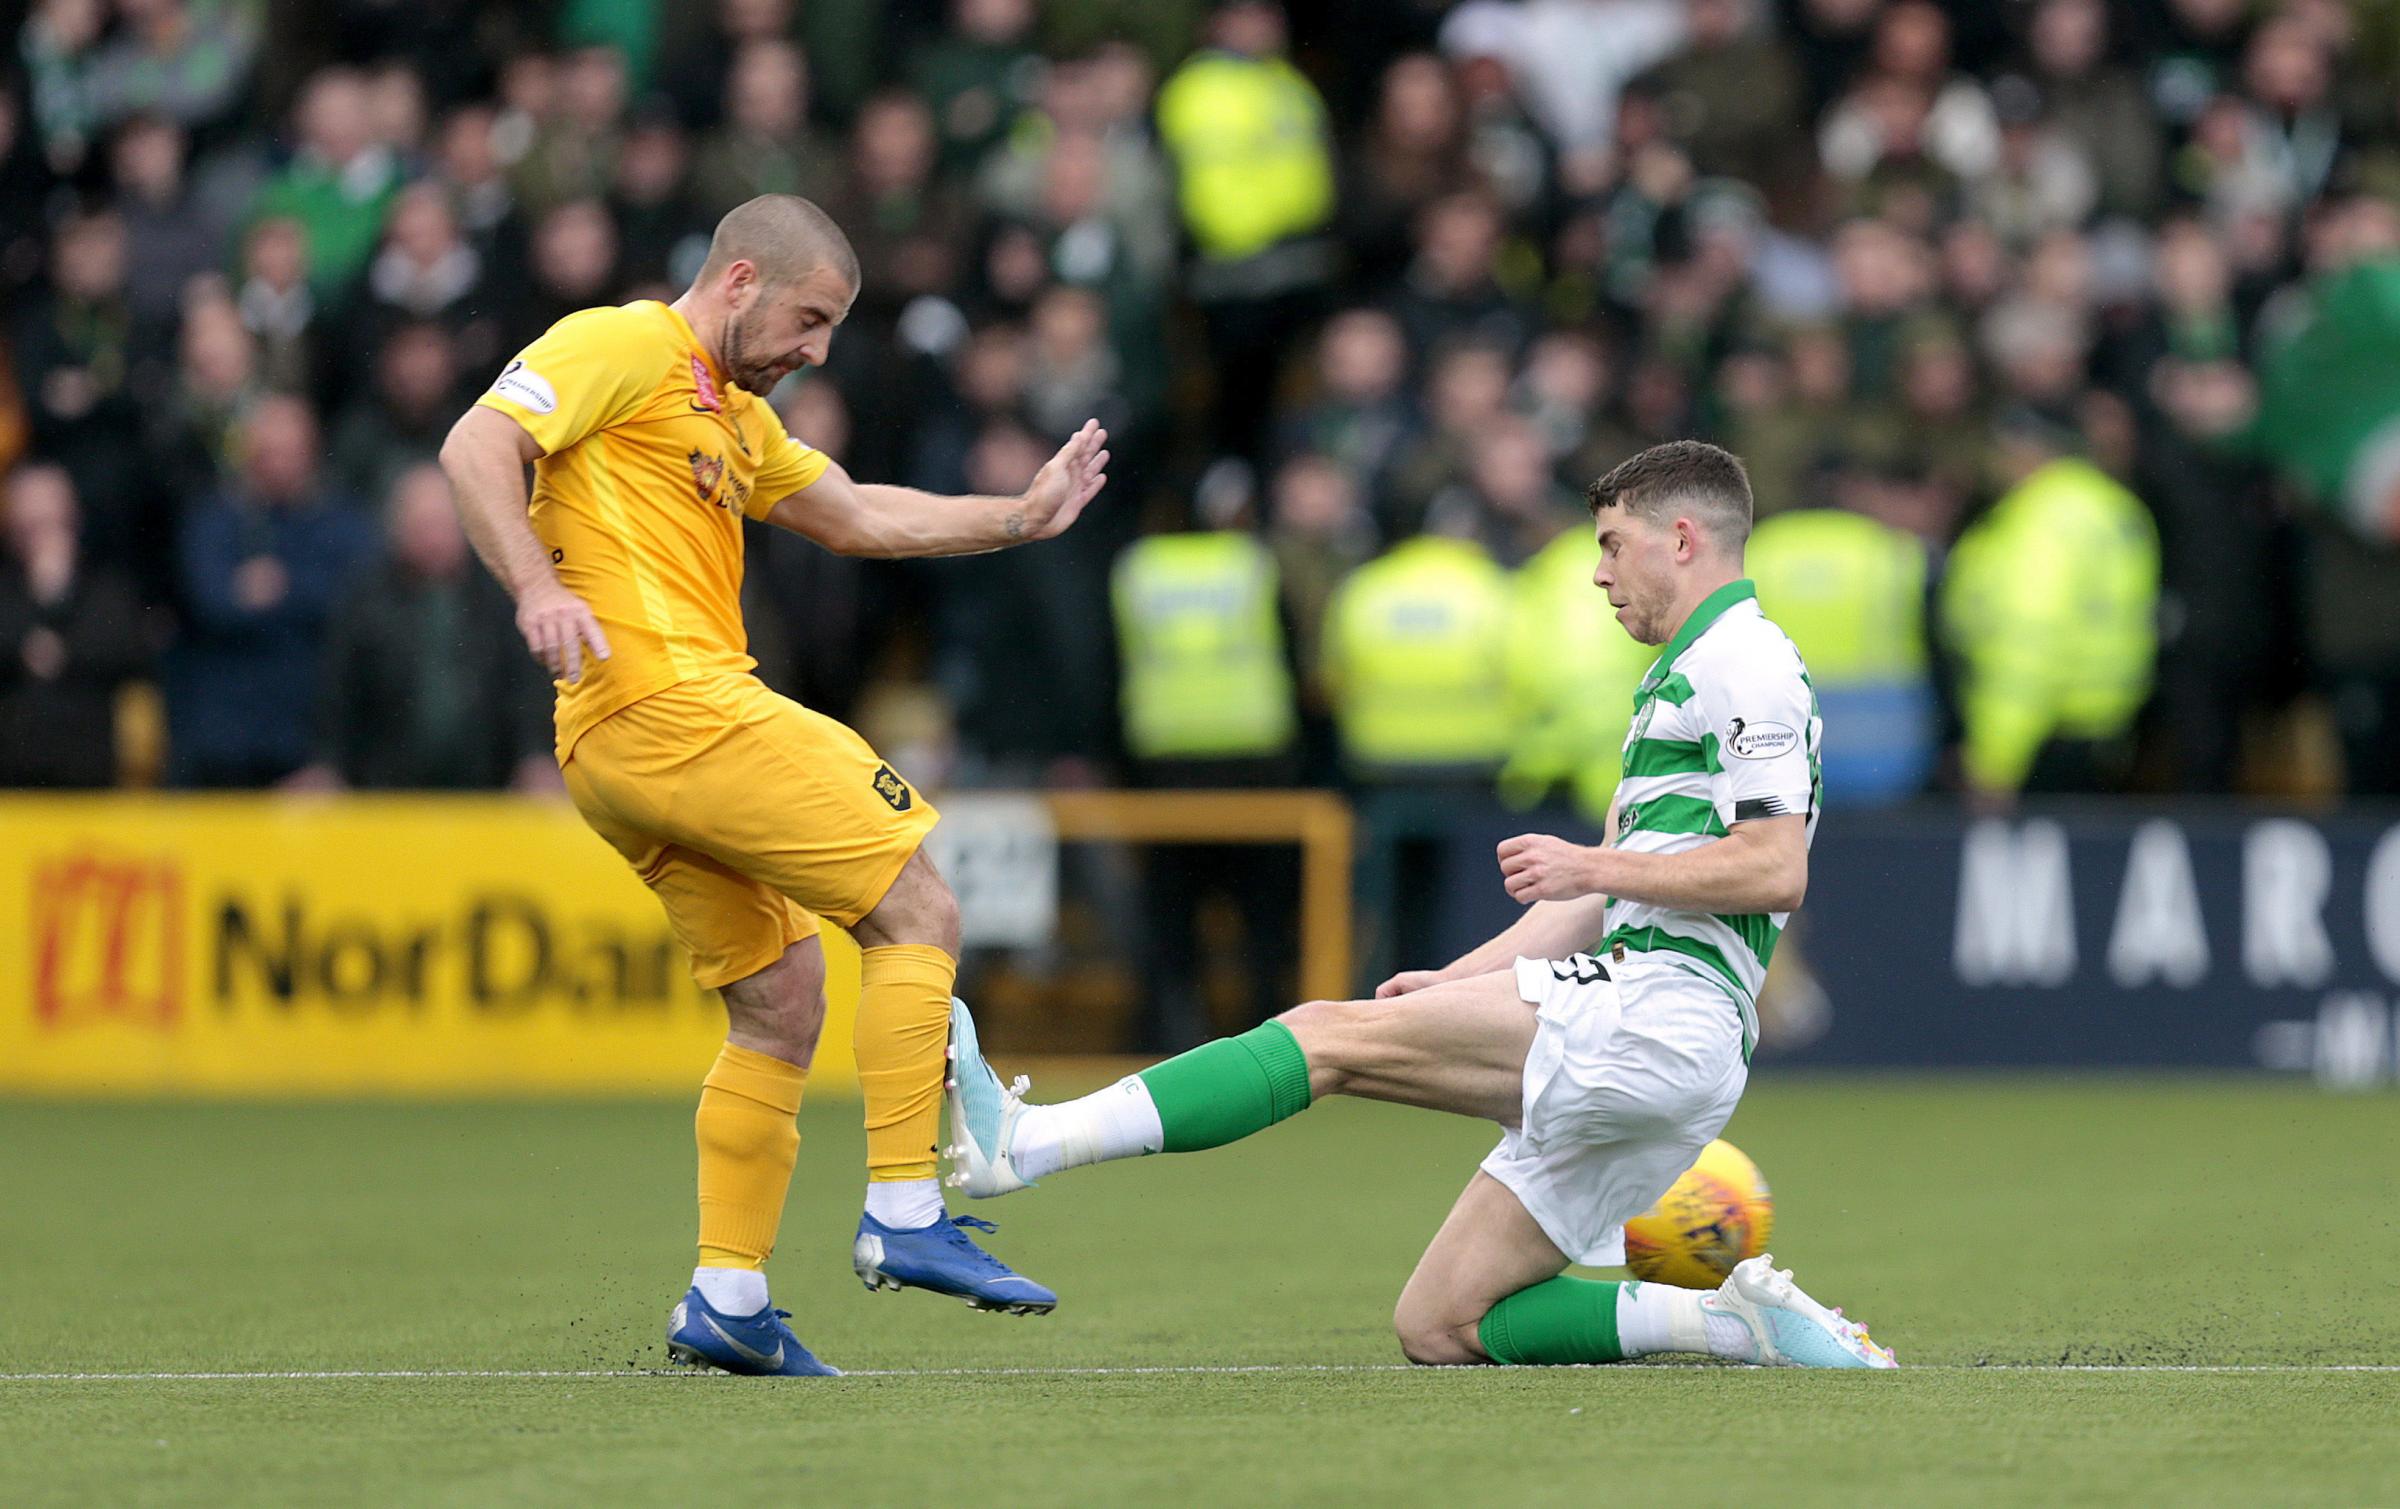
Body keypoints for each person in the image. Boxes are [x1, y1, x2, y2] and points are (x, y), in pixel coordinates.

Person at [946, 442, 1896, 1372]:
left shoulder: (1748, 663)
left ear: (1682, 539)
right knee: (1442, 1321)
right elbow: (1590, 901)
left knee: (1324, 1036)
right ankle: (1735, 1324)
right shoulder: (1683, 674)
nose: (1598, 573)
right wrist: (1461, 977)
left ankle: (1025, 1143)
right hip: (1661, 1033)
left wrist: (1593, 866)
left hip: (1659, 1013)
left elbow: (1773, 868)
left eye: (1611, 543)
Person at [439, 193, 1110, 1377]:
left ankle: (727, 1297)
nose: (818, 351)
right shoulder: (625, 342)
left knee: (782, 998)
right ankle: (907, 1213)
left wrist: (1018, 516)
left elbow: (854, 515)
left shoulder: (730, 416)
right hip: (670, 704)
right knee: (919, 906)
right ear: (741, 279)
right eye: (810, 318)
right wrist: (535, 586)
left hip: (619, 744)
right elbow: (476, 444)